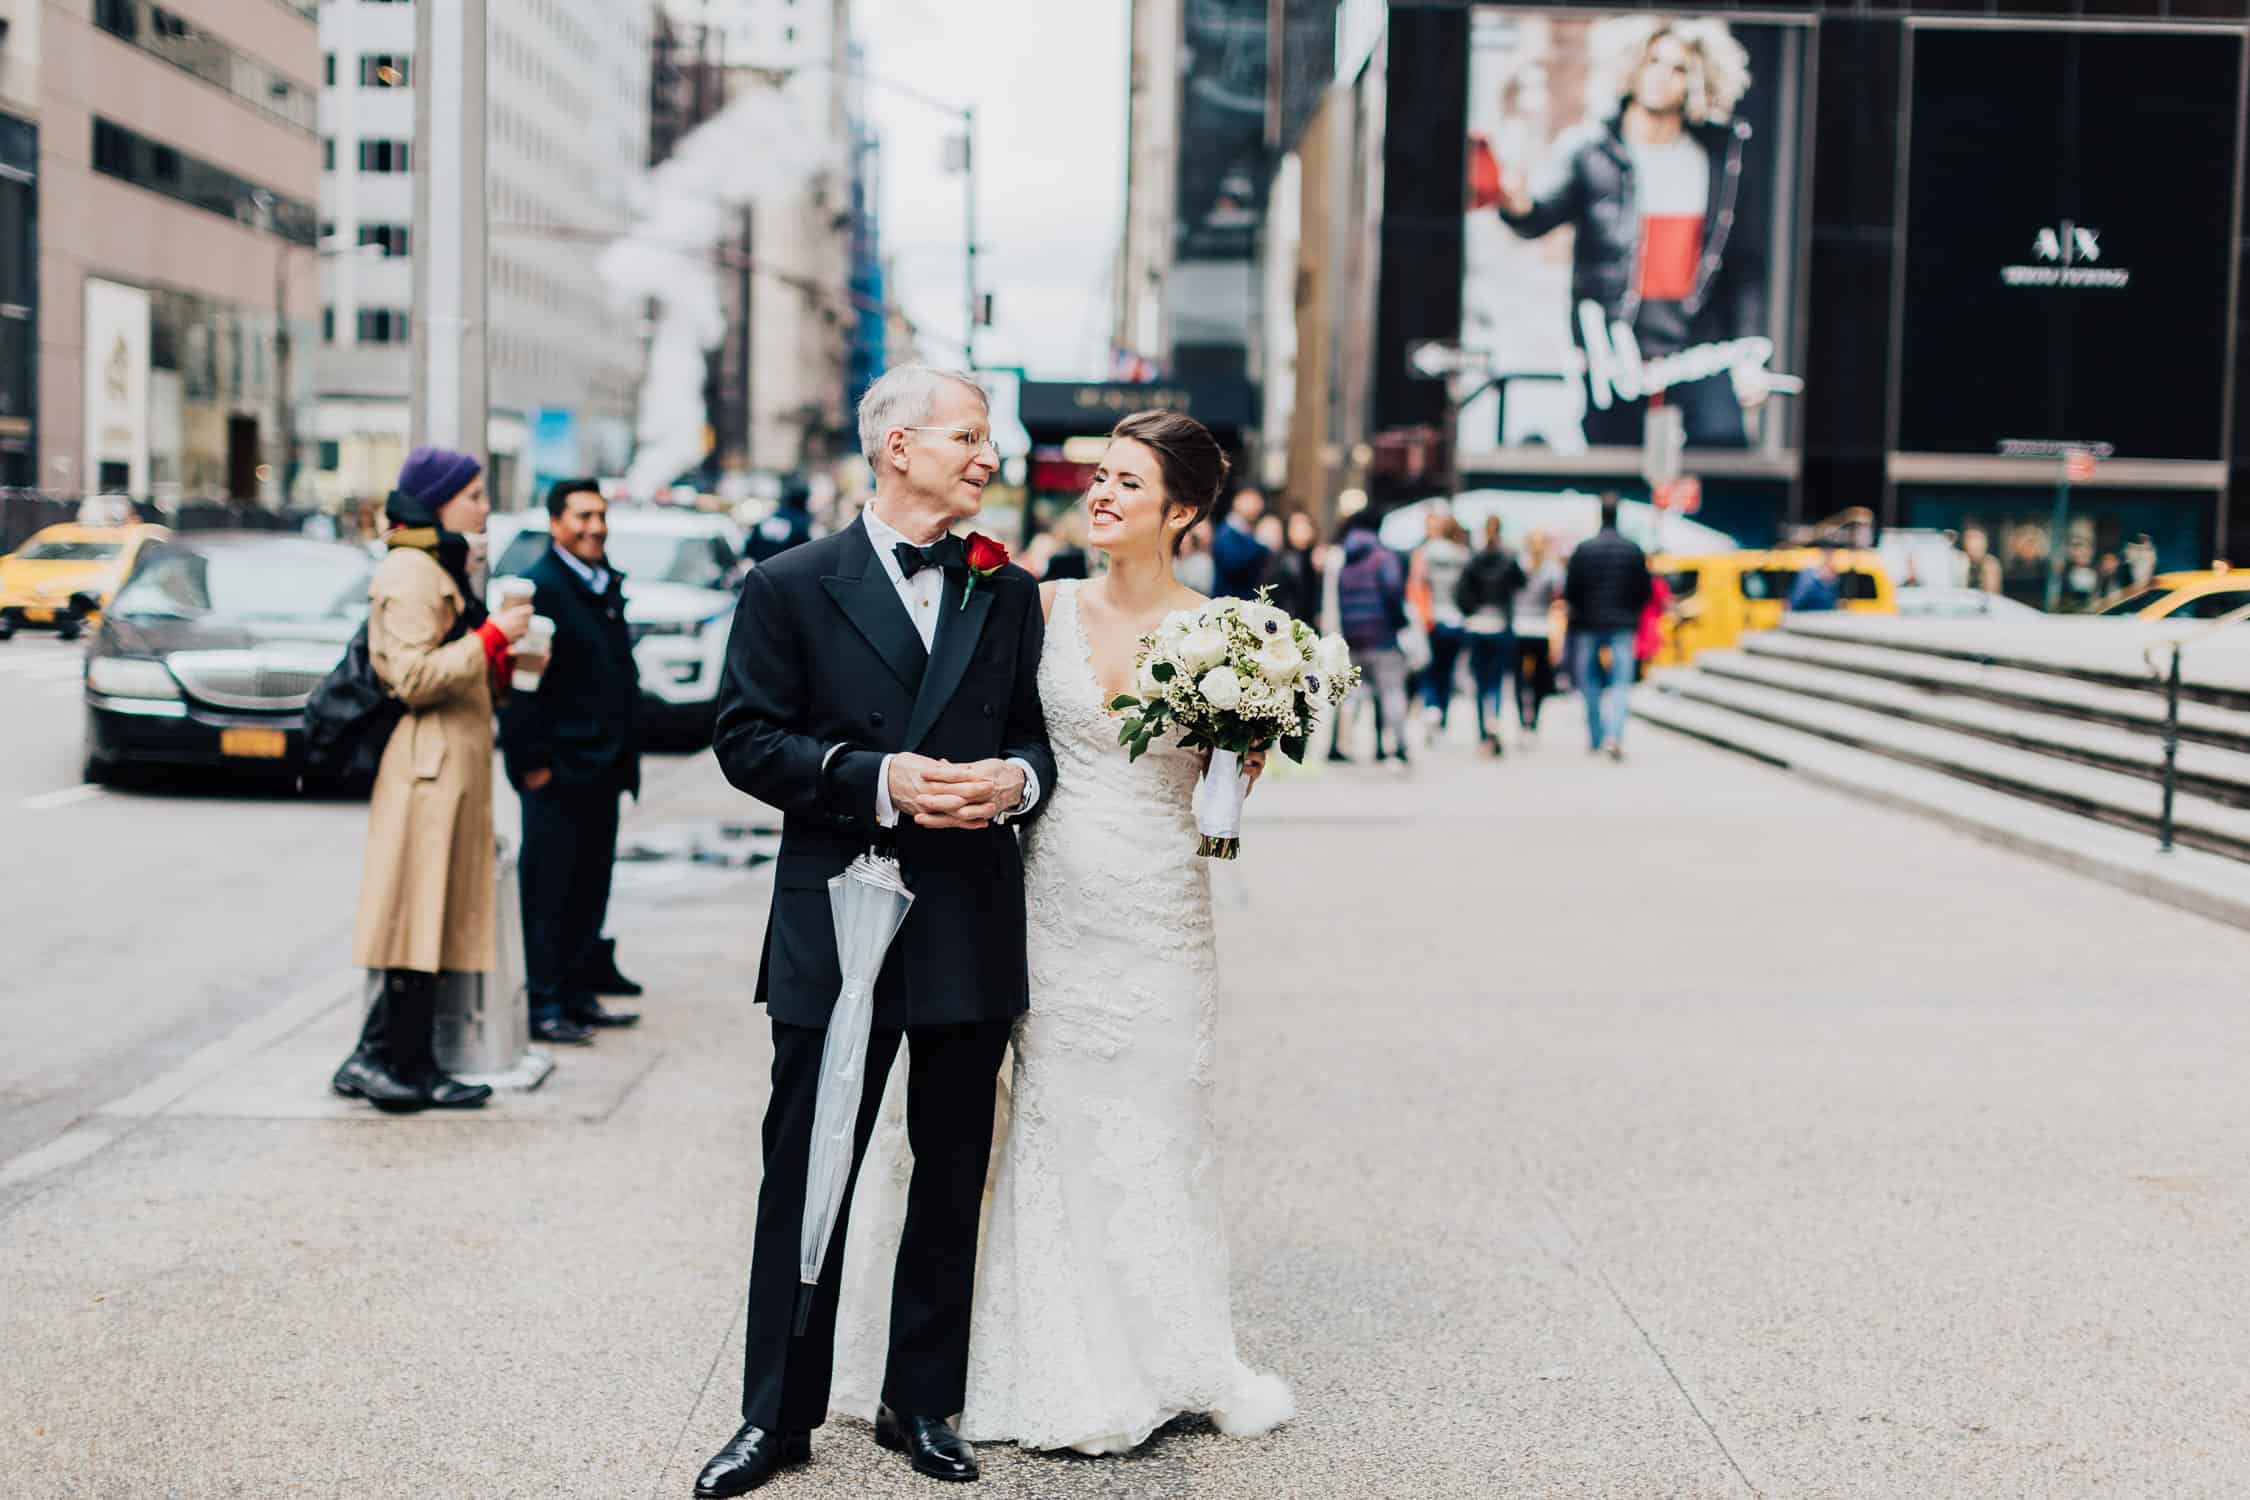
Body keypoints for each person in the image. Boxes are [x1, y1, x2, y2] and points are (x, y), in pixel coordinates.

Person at [831, 408, 1293, 1456]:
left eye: (1128, 482)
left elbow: (1226, 794)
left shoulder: (1237, 636)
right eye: (1101, 476)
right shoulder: (1037, 603)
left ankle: (1155, 1352)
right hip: (1041, 900)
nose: (1103, 495)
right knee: (1024, 1119)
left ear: (1181, 511)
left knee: (1150, 1121)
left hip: (1161, 907)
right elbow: (994, 727)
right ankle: (987, 1356)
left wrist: (1243, 762)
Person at [695, 366, 1059, 1497]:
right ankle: (775, 1417)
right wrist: (876, 778)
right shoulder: (790, 584)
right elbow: (745, 739)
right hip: (838, 914)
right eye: (968, 437)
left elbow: (1034, 738)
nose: (989, 457)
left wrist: (1014, 783)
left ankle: (921, 1401)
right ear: (898, 446)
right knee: (807, 1169)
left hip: (968, 915)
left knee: (951, 1169)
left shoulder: (1007, 589)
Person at [332, 447, 530, 1114]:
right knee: (415, 920)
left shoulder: (438, 563)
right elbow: (412, 677)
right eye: (473, 495)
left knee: (432, 920)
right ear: (441, 500)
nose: (484, 507)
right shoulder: (411, 570)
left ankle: (398, 1060)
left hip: (449, 764)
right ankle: (390, 1062)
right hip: (428, 768)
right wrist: (491, 637)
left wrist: (502, 659)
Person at [1493, 18, 1768, 448]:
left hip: (1698, 349)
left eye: (1678, 68)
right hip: (1615, 351)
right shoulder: (1591, 148)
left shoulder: (1721, 158)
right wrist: (1514, 201)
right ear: (1633, 65)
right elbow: (1538, 215)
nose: (1662, 75)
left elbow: (1745, 267)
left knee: (1722, 451)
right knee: (1614, 465)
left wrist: (1749, 356)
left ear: (1697, 79)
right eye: (1653, 61)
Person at [499, 478, 644, 1047]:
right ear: (555, 522)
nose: (595, 527)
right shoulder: (541, 589)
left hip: (603, 767)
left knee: (589, 887)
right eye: (582, 516)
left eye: (600, 515)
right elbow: (521, 687)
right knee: (548, 892)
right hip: (556, 770)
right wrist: (530, 763)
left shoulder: (603, 582)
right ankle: (544, 1004)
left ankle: (578, 993)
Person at [1563, 492, 1653, 760]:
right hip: (1623, 623)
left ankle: (1595, 736)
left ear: (1600, 515)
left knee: (1589, 680)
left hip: (1587, 624)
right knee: (1621, 682)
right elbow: (1645, 590)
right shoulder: (1632, 550)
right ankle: (1614, 736)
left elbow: (1570, 590)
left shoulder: (1584, 550)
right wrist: (1630, 611)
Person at [1336, 515, 1413, 764]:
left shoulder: (1347, 561)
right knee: (1391, 691)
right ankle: (1399, 745)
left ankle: (1342, 744)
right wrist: (1400, 624)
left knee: (1352, 695)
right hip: (1383, 637)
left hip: (1354, 637)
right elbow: (1393, 594)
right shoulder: (1384, 558)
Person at [1456, 516, 1527, 755]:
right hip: (1500, 623)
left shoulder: (1473, 560)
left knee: (1480, 681)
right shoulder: (1509, 559)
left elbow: (1461, 593)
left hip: (1477, 623)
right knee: (1496, 680)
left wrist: (1471, 610)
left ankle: (1483, 730)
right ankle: (1493, 719)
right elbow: (1521, 583)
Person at [1409, 507, 1473, 731]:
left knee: (1429, 668)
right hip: (1456, 619)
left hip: (1431, 618)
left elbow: (1417, 586)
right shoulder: (1463, 555)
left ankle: (1431, 707)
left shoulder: (1424, 553)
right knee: (1447, 670)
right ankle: (1442, 713)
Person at [1517, 527, 1565, 730]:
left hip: (1519, 626)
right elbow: (1559, 597)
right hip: (1541, 628)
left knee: (1520, 677)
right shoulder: (1552, 569)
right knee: (1539, 678)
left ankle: (1522, 717)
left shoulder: (1519, 564)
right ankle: (1534, 717)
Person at [1263, 509, 1324, 625]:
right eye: (1298, 527)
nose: (1304, 530)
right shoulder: (1282, 561)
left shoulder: (1314, 557)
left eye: (1306, 525)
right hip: (1288, 624)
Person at [1208, 486, 1271, 599]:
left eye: (1258, 502)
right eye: (1251, 501)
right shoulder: (1226, 532)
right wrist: (1260, 544)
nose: (1256, 507)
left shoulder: (1247, 530)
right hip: (1228, 601)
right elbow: (1233, 565)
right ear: (1237, 501)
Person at [745, 474, 815, 564]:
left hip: (762, 568)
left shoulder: (768, 520)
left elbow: (749, 549)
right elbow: (807, 554)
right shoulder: (800, 524)